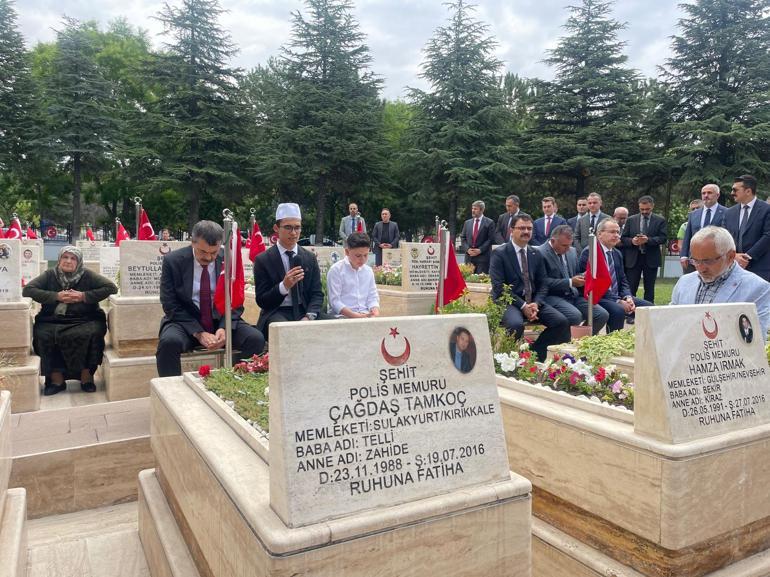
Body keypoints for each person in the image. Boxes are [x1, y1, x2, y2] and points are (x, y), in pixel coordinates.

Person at [155, 221, 265, 377]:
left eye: (213, 252)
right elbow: (169, 303)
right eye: (203, 252)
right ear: (193, 243)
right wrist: (199, 333)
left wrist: (224, 327)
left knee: (255, 338)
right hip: (185, 321)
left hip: (220, 319)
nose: (208, 257)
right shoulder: (173, 261)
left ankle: (237, 380)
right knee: (168, 343)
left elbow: (235, 299)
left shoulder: (227, 259)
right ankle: (171, 391)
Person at [23, 246, 117, 395]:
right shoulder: (50, 275)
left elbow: (111, 287)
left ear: (78, 261)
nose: (68, 261)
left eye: (73, 258)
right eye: (65, 257)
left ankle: (86, 377)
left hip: (86, 318)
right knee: (44, 335)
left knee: (92, 333)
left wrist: (83, 296)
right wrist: (55, 296)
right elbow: (28, 290)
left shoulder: (87, 275)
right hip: (52, 319)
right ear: (59, 259)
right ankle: (56, 380)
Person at [489, 213, 571, 361]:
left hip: (532, 301)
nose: (526, 232)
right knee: (515, 325)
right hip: (507, 301)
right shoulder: (499, 254)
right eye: (521, 228)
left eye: (529, 228)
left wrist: (536, 303)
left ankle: (533, 355)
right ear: (511, 230)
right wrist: (523, 306)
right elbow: (498, 287)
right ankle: (509, 361)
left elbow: (543, 283)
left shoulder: (535, 253)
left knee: (561, 322)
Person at [671, 226, 770, 341]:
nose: (701, 268)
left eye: (708, 261)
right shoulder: (684, 282)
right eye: (695, 261)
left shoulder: (758, 288)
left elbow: (754, 343)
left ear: (731, 256)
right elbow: (672, 325)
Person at [253, 203, 326, 335]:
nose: (293, 233)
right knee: (286, 332)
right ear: (276, 228)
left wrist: (309, 316)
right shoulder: (263, 260)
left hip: (304, 310)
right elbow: (262, 300)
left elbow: (317, 293)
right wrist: (283, 286)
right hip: (277, 311)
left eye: (297, 227)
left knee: (337, 326)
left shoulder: (309, 257)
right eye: (288, 227)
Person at [578, 219, 652, 333]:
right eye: (612, 232)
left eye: (618, 232)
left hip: (617, 296)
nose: (616, 235)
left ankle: (643, 341)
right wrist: (618, 301)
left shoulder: (616, 253)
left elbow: (623, 280)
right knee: (618, 310)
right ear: (599, 234)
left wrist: (628, 297)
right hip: (598, 296)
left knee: (649, 308)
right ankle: (612, 343)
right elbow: (593, 284)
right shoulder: (591, 252)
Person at [537, 225, 608, 334]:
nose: (567, 249)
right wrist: (570, 282)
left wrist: (583, 276)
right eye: (564, 245)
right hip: (552, 296)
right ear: (552, 241)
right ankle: (558, 344)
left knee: (601, 314)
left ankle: (582, 342)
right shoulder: (540, 253)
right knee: (574, 316)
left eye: (570, 245)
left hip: (573, 294)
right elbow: (542, 282)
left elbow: (574, 274)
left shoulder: (572, 251)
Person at [620, 195, 668, 304]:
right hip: (633, 259)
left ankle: (648, 311)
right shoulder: (631, 220)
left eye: (647, 209)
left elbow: (663, 238)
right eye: (642, 209)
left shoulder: (660, 220)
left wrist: (648, 240)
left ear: (652, 206)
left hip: (651, 259)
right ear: (639, 207)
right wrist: (632, 241)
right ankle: (631, 312)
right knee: (631, 287)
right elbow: (623, 238)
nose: (644, 211)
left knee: (649, 288)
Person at [724, 175, 770, 281]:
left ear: (748, 191)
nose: (732, 193)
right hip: (734, 268)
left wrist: (747, 256)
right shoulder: (729, 213)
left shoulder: (766, 210)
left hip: (760, 268)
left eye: (735, 190)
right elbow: (725, 237)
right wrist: (734, 256)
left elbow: (768, 235)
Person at [327, 232, 380, 318]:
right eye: (358, 255)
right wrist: (355, 316)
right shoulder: (336, 270)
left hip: (365, 314)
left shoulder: (368, 271)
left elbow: (372, 296)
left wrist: (375, 311)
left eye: (365, 255)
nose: (362, 259)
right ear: (347, 252)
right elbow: (335, 302)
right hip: (342, 317)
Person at [680, 185, 726, 274]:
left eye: (709, 193)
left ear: (717, 195)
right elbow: (688, 236)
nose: (706, 195)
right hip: (693, 260)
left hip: (714, 258)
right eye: (703, 193)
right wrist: (684, 255)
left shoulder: (727, 212)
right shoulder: (693, 214)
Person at [460, 200, 496, 274]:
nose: (473, 211)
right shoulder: (467, 223)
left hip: (482, 258)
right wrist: (467, 249)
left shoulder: (489, 223)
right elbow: (463, 238)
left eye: (475, 209)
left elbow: (490, 239)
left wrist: (480, 250)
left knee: (481, 282)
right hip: (469, 258)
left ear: (482, 210)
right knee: (467, 281)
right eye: (472, 208)